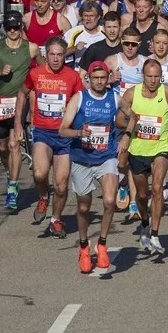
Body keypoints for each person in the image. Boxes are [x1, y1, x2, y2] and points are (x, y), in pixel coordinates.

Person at [59, 61, 121, 273]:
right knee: (84, 206)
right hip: (82, 158)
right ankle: (84, 246)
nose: (100, 82)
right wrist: (78, 133)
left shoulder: (114, 97)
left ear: (108, 78)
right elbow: (62, 130)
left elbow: (130, 116)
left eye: (103, 78)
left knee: (110, 200)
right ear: (89, 79)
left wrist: (126, 138)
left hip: (106, 157)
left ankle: (102, 244)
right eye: (96, 78)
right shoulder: (79, 98)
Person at [19, 36, 84, 237]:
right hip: (42, 132)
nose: (55, 59)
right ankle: (42, 196)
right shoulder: (36, 74)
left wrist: (73, 111)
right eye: (52, 54)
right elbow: (22, 93)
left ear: (65, 56)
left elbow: (82, 101)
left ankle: (55, 219)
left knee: (62, 185)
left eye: (59, 55)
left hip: (64, 135)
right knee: (40, 173)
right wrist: (17, 123)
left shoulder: (72, 76)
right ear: (46, 55)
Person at [118, 60, 168, 255]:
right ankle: (145, 222)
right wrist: (132, 125)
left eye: (157, 76)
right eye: (149, 76)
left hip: (160, 148)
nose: (153, 80)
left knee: (157, 188)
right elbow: (119, 119)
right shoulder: (131, 94)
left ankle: (155, 234)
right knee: (140, 195)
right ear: (143, 76)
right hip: (138, 150)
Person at [0, 11, 38, 212]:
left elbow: (41, 73)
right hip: (0, 102)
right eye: (9, 28)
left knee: (14, 145)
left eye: (16, 27)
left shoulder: (31, 48)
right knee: (2, 146)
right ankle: (9, 172)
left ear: (21, 28)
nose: (12, 31)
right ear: (4, 29)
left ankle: (13, 187)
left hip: (20, 102)